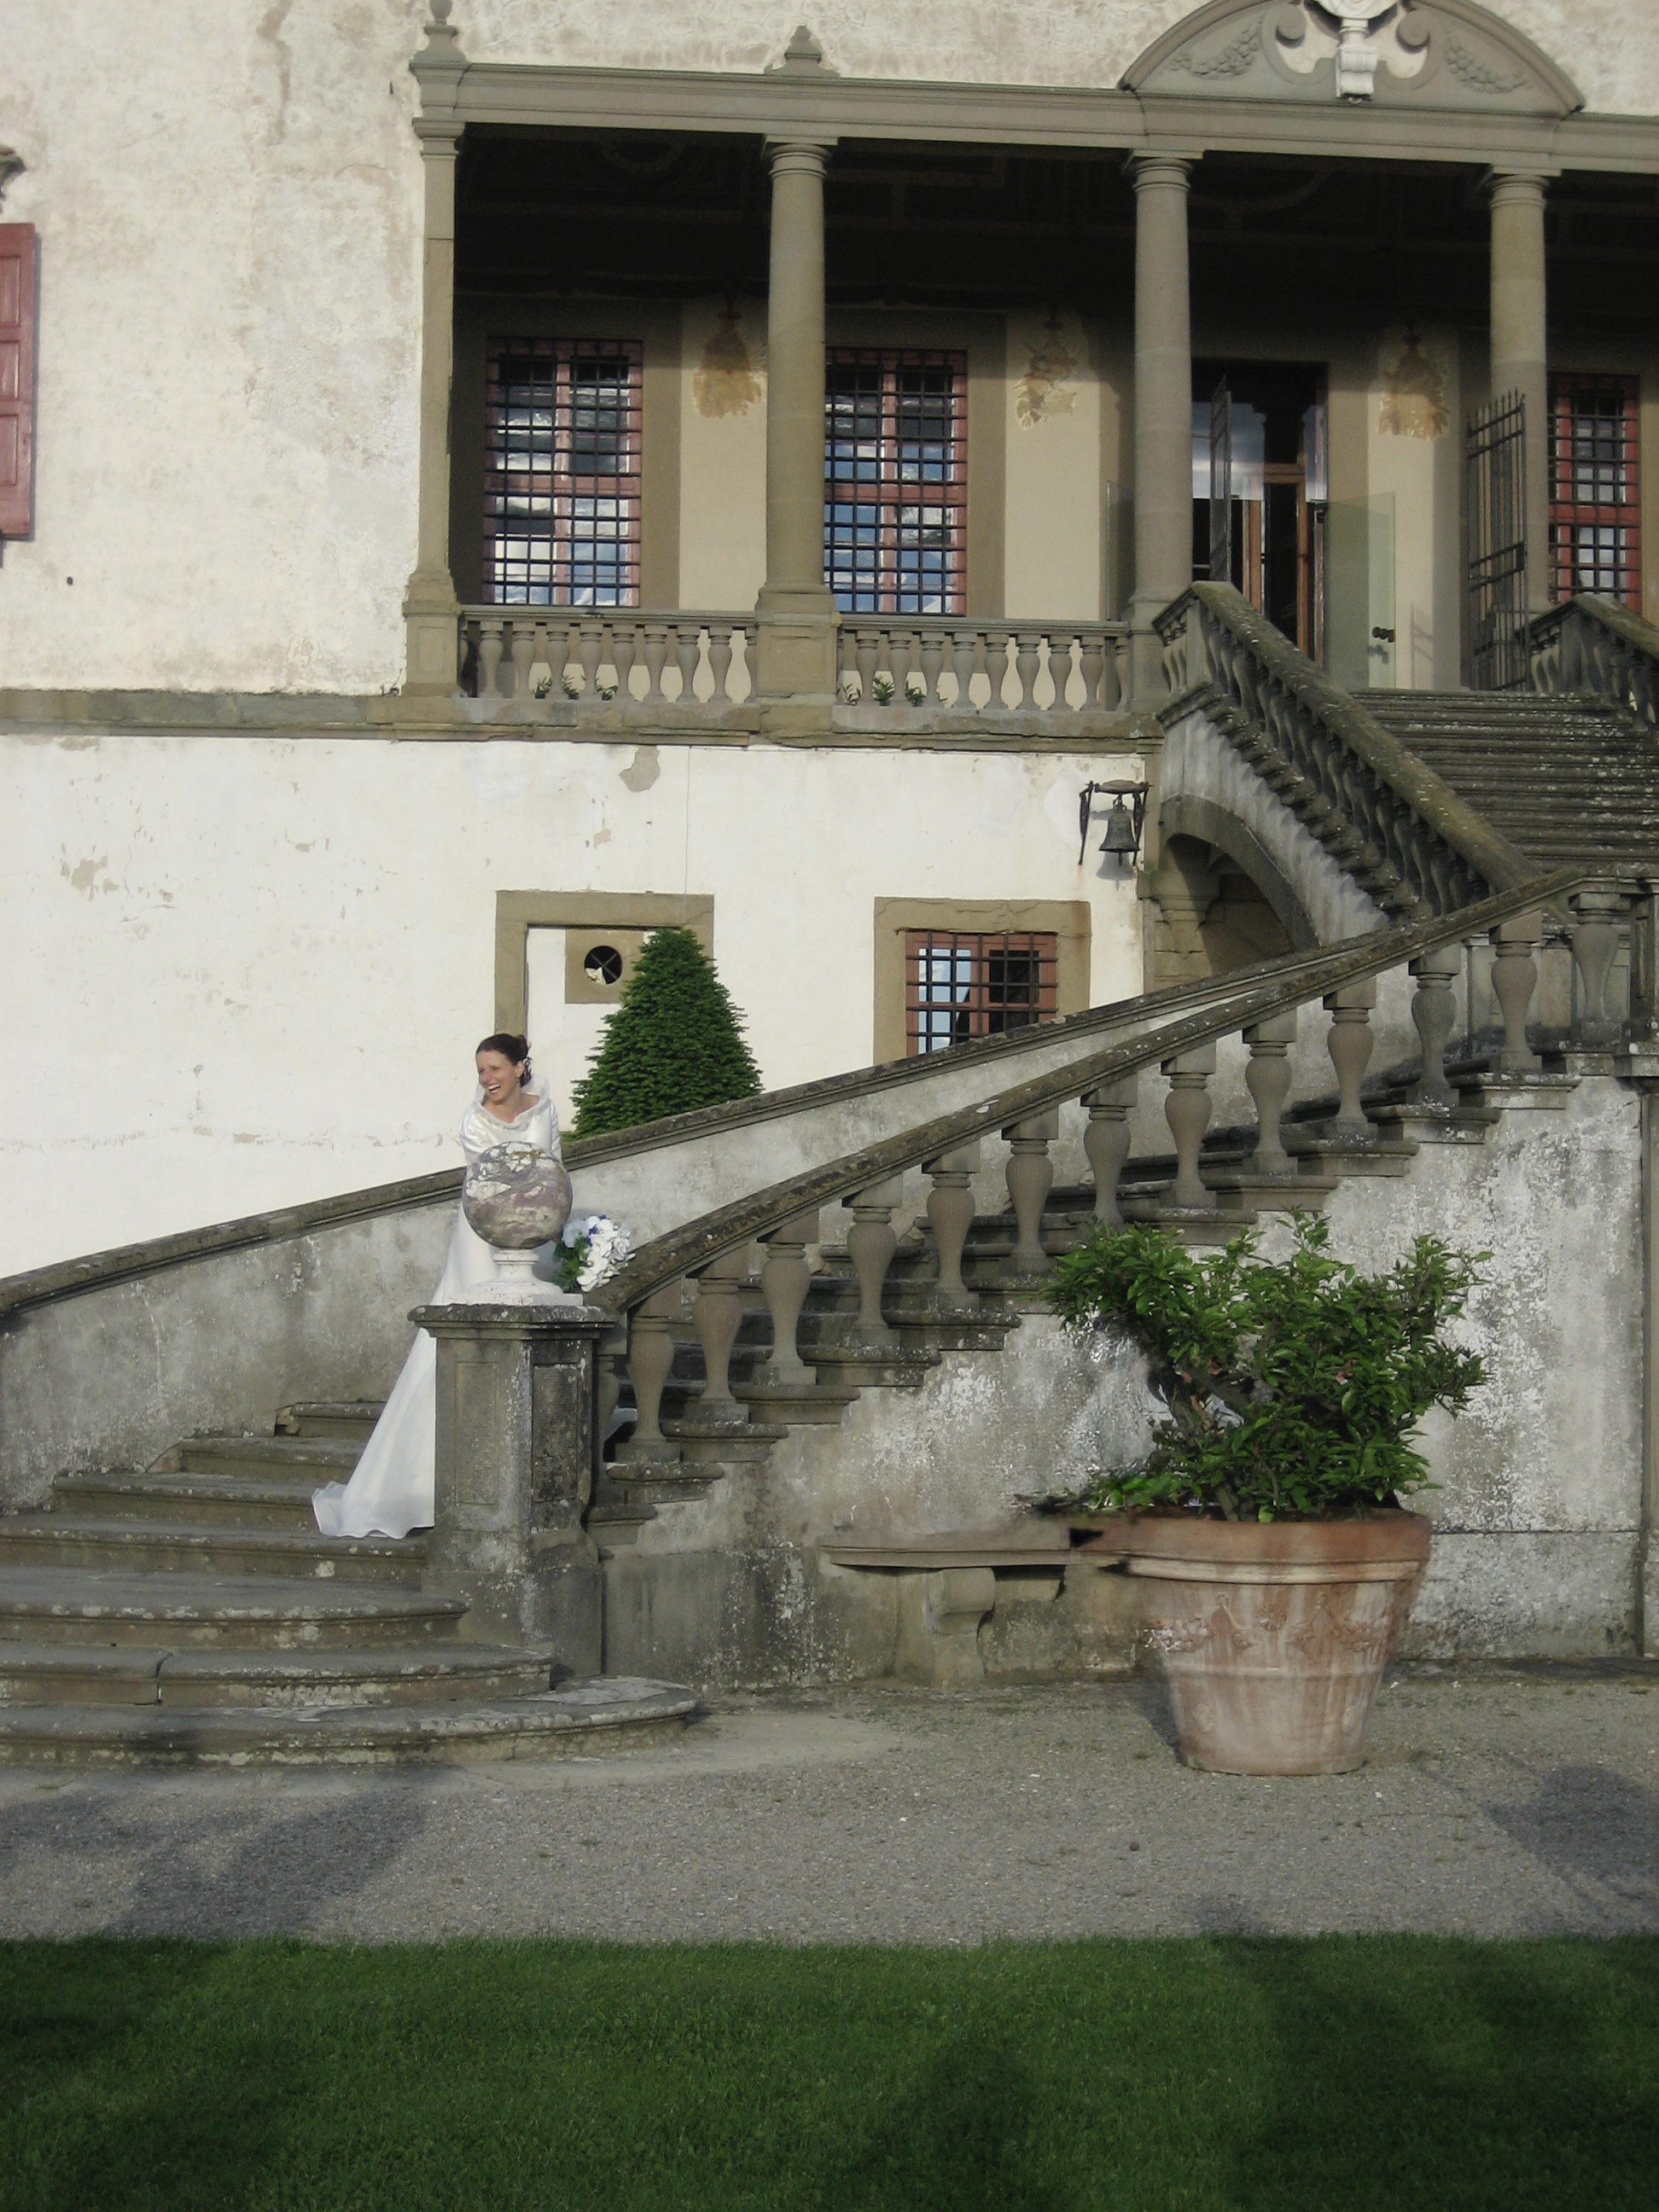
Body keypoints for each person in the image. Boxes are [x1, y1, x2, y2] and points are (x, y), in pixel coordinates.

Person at [311, 1033, 562, 1540]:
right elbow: (491, 1178)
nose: (488, 1079)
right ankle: (415, 1483)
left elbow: (553, 1168)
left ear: (519, 1069)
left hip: (535, 1232)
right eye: (481, 1071)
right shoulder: (473, 1122)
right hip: (482, 1234)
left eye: (495, 1068)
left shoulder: (546, 1112)